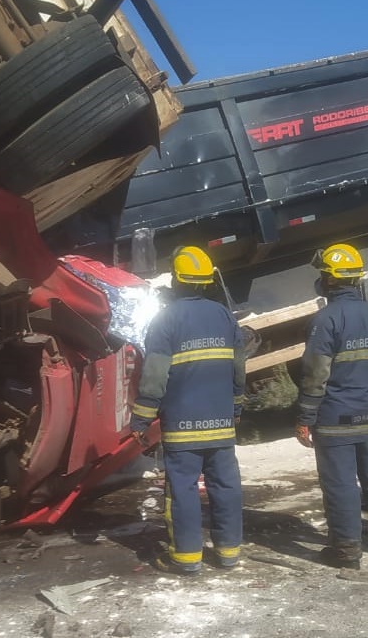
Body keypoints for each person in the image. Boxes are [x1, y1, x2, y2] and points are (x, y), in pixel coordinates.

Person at [130, 245, 247, 575]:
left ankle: (186, 558)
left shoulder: (166, 320)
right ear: (206, 281)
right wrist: (236, 405)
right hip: (222, 424)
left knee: (182, 491)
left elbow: (154, 375)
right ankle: (228, 553)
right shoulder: (224, 316)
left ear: (176, 282)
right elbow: (239, 367)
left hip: (183, 427)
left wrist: (142, 417)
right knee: (225, 486)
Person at [295, 243, 368, 570]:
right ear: (356, 280)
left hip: (334, 420)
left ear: (329, 281)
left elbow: (316, 375)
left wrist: (305, 418)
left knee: (340, 482)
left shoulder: (324, 320)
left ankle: (346, 549)